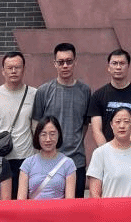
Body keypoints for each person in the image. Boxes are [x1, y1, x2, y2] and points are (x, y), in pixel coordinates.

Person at [32, 42, 91, 196]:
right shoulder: (44, 91)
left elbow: (84, 124)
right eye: (61, 62)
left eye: (69, 61)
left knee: (75, 207)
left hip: (76, 160)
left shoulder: (85, 91)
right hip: (49, 160)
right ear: (55, 63)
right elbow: (36, 125)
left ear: (75, 62)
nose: (65, 66)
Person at [0, 51, 36, 196]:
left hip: (26, 158)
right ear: (3, 71)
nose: (13, 71)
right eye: (9, 68)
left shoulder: (34, 94)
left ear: (24, 69)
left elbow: (37, 128)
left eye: (17, 67)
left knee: (24, 201)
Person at [89, 48, 131, 145]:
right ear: (108, 67)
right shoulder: (98, 95)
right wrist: (108, 151)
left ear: (128, 66)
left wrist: (124, 148)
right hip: (106, 151)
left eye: (122, 63)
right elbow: (97, 130)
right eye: (114, 63)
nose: (118, 67)